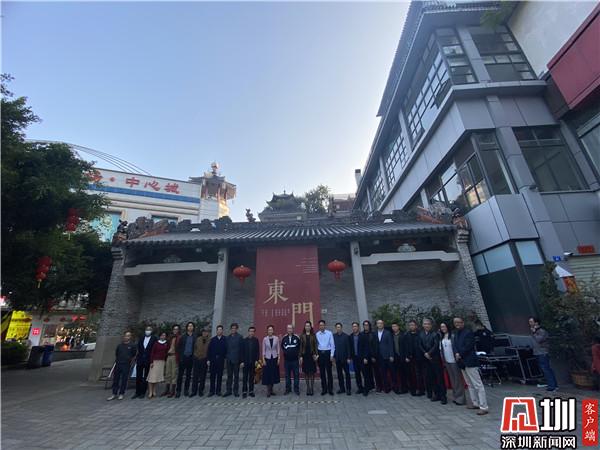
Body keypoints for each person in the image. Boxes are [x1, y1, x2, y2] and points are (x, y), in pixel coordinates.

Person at [454, 317, 488, 415]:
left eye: (459, 322)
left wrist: (460, 354)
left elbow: (469, 346)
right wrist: (456, 353)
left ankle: (484, 406)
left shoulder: (468, 332)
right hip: (462, 362)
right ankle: (475, 402)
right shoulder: (456, 333)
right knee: (469, 384)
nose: (457, 324)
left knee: (477, 384)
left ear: (463, 323)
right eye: (455, 322)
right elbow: (455, 345)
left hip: (470, 361)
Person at [420, 318, 447, 404]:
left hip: (435, 359)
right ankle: (436, 394)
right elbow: (420, 345)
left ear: (431, 325)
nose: (426, 325)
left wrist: (429, 353)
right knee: (431, 378)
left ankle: (443, 396)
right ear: (422, 325)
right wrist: (425, 353)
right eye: (425, 324)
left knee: (439, 378)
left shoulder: (435, 334)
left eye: (428, 324)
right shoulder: (421, 334)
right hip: (426, 359)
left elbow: (436, 345)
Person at [528, 317, 558, 392]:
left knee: (546, 368)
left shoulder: (542, 331)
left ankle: (552, 386)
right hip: (537, 352)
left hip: (543, 352)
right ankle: (551, 384)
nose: (530, 323)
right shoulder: (534, 331)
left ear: (536, 322)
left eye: (531, 321)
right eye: (529, 322)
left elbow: (539, 340)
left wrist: (534, 333)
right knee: (544, 369)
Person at [439, 322, 465, 405]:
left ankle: (461, 398)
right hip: (447, 361)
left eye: (444, 326)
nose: (443, 328)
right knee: (452, 380)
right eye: (441, 327)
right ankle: (456, 396)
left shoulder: (453, 336)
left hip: (454, 360)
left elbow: (457, 347)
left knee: (457, 380)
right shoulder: (442, 337)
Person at [107, 331, 136, 401]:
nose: (126, 337)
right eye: (125, 335)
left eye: (128, 336)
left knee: (124, 380)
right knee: (116, 379)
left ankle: (121, 393)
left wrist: (129, 361)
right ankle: (114, 393)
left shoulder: (132, 346)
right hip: (118, 364)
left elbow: (134, 354)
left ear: (130, 337)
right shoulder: (120, 345)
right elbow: (117, 353)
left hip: (126, 365)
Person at [132, 326, 157, 399]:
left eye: (149, 330)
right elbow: (139, 348)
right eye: (147, 329)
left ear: (151, 331)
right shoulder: (141, 337)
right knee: (138, 377)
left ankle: (143, 392)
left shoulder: (154, 338)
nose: (148, 331)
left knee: (146, 377)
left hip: (148, 360)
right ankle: (137, 392)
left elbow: (154, 349)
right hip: (140, 360)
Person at [403, 320, 424, 396]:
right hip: (410, 358)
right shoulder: (406, 335)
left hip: (419, 357)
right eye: (410, 325)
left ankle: (421, 390)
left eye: (413, 325)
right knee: (411, 374)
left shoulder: (420, 334)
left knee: (419, 374)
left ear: (416, 326)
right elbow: (405, 347)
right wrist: (406, 356)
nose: (411, 326)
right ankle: (413, 389)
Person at [176, 322, 196, 398]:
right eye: (189, 326)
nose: (190, 327)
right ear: (187, 327)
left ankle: (186, 390)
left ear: (193, 327)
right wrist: (180, 356)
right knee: (180, 375)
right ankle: (178, 390)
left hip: (190, 358)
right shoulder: (183, 337)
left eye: (191, 326)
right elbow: (179, 347)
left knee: (188, 375)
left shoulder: (195, 337)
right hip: (183, 358)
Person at [316, 320, 335, 395]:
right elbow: (316, 345)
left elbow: (332, 345)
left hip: (327, 353)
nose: (321, 326)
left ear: (325, 325)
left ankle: (330, 389)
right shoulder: (317, 334)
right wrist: (317, 355)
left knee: (329, 372)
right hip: (320, 354)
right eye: (320, 325)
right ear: (319, 326)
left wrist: (331, 355)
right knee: (322, 373)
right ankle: (324, 389)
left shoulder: (329, 333)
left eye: (322, 325)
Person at [146, 331, 168, 399]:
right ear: (160, 336)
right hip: (155, 361)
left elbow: (166, 353)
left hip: (162, 362)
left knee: (156, 378)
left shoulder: (166, 343)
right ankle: (150, 392)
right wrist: (151, 362)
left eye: (164, 335)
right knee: (151, 377)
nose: (163, 336)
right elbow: (152, 352)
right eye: (162, 335)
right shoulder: (156, 343)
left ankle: (154, 391)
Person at [207, 325, 227, 397]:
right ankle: (211, 391)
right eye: (218, 330)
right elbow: (209, 350)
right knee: (212, 376)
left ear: (222, 331)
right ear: (216, 331)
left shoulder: (225, 339)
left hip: (221, 360)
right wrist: (208, 359)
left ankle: (218, 390)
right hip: (213, 360)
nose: (219, 331)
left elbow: (226, 350)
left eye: (220, 330)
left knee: (219, 376)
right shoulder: (213, 339)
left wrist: (224, 358)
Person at [375, 319, 394, 393]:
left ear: (383, 324)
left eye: (381, 323)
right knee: (383, 373)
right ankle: (386, 387)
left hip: (388, 356)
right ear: (377, 325)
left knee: (392, 372)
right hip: (380, 356)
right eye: (378, 323)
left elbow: (390, 344)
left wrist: (391, 355)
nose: (379, 325)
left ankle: (394, 386)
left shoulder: (388, 333)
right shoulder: (375, 333)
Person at [224, 323, 243, 397]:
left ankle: (235, 391)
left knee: (236, 376)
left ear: (236, 329)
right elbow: (225, 348)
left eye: (235, 328)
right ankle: (228, 390)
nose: (233, 329)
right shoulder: (227, 338)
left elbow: (241, 350)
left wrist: (241, 361)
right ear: (230, 329)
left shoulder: (240, 337)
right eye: (232, 328)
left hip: (236, 360)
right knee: (229, 376)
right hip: (229, 360)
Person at [299, 321, 318, 396]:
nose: (307, 327)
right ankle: (308, 388)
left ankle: (312, 388)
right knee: (306, 372)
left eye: (308, 326)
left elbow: (315, 345)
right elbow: (300, 347)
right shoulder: (302, 336)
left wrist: (316, 354)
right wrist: (300, 356)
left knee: (312, 372)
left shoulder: (313, 335)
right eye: (306, 326)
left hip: (312, 356)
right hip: (305, 356)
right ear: (305, 327)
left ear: (310, 327)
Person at [281, 324, 301, 395]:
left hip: (295, 360)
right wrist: (286, 353)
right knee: (287, 376)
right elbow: (282, 347)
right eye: (288, 328)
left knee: (296, 375)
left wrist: (299, 356)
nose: (289, 330)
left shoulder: (297, 337)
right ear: (287, 329)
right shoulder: (284, 338)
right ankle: (288, 389)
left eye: (291, 328)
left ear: (293, 329)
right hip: (287, 361)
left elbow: (299, 348)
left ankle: (296, 389)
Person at [358, 320, 376, 396]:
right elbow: (361, 347)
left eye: (367, 325)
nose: (366, 326)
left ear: (369, 326)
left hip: (372, 357)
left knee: (371, 372)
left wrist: (373, 356)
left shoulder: (373, 334)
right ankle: (366, 389)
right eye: (364, 325)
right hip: (364, 357)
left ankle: (372, 386)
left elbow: (374, 346)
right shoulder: (361, 334)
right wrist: (364, 357)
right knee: (365, 373)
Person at [333, 322, 352, 395]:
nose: (338, 328)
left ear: (341, 328)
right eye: (337, 327)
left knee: (347, 374)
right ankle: (342, 388)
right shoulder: (334, 336)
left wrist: (349, 357)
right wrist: (333, 357)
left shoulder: (346, 336)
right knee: (339, 375)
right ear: (336, 328)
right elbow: (333, 347)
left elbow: (348, 348)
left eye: (339, 327)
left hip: (345, 359)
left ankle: (348, 389)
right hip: (337, 359)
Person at [241, 326, 260, 398]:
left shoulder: (256, 340)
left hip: (253, 362)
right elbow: (242, 352)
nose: (251, 333)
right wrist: (242, 361)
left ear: (254, 332)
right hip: (245, 362)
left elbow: (257, 351)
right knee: (245, 377)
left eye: (253, 331)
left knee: (251, 378)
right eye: (250, 331)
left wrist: (257, 360)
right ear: (248, 332)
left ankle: (251, 391)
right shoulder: (244, 340)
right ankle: (244, 391)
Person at [261, 325, 280, 397]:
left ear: (273, 331)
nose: (270, 331)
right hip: (267, 358)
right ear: (267, 331)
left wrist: (278, 358)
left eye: (271, 330)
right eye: (269, 330)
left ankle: (272, 390)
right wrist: (263, 359)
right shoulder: (265, 339)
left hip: (274, 358)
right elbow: (263, 350)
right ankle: (268, 390)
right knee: (267, 374)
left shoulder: (276, 338)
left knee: (273, 374)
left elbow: (278, 349)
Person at [191, 328, 210, 397]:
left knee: (203, 376)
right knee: (195, 376)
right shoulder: (197, 339)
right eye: (203, 332)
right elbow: (194, 348)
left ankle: (201, 390)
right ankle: (194, 391)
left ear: (207, 333)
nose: (205, 333)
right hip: (196, 359)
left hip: (204, 359)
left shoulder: (209, 340)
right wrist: (195, 356)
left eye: (206, 332)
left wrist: (208, 359)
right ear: (202, 333)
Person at [162, 324, 180, 397]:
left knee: (174, 374)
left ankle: (173, 391)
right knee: (167, 373)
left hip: (175, 356)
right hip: (168, 356)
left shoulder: (179, 338)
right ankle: (167, 389)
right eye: (174, 329)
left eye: (177, 329)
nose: (175, 330)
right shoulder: (170, 337)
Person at [391, 322, 408, 394]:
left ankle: (405, 388)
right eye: (393, 327)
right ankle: (398, 387)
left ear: (398, 327)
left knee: (403, 373)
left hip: (402, 356)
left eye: (395, 326)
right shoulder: (391, 336)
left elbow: (406, 346)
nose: (394, 328)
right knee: (396, 373)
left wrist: (406, 356)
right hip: (395, 357)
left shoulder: (403, 335)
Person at [348, 322, 365, 395]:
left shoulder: (363, 336)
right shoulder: (350, 336)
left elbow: (366, 347)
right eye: (353, 326)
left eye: (355, 326)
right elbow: (349, 348)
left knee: (364, 374)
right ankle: (360, 388)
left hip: (362, 358)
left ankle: (366, 388)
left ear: (358, 327)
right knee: (357, 374)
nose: (354, 328)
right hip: (355, 358)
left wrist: (365, 357)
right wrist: (349, 357)